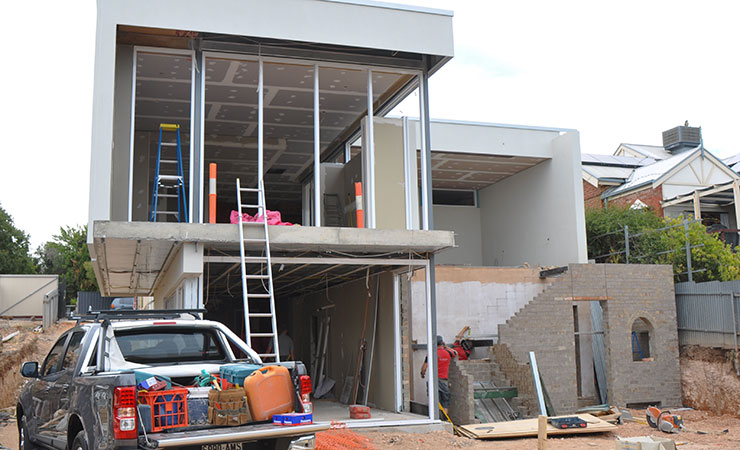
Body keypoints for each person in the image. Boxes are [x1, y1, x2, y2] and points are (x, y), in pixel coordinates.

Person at [420, 335, 457, 410]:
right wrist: (446, 347)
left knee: (433, 400)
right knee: (445, 402)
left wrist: (422, 374)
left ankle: (434, 417)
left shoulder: (431, 354)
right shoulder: (448, 353)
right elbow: (455, 352)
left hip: (433, 381)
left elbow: (424, 367)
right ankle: (444, 419)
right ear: (442, 343)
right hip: (443, 381)